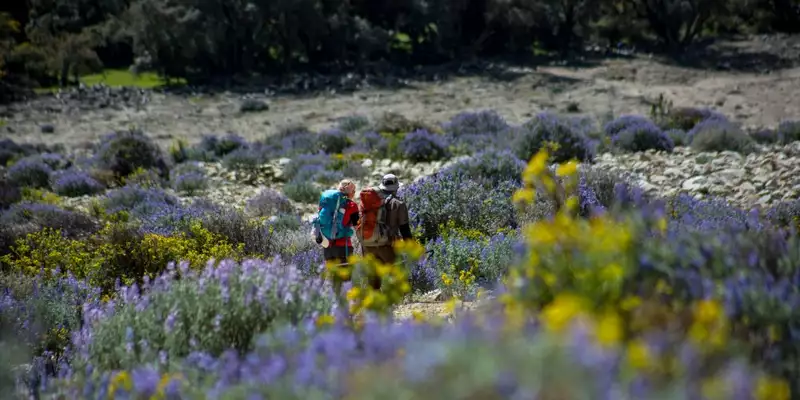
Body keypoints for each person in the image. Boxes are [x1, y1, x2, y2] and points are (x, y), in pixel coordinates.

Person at [357, 173, 413, 271]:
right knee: (397, 276)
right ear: (396, 188)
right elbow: (405, 230)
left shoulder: (368, 203)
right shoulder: (398, 204)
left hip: (367, 247)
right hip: (388, 247)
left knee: (373, 279)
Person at [316, 179, 360, 265]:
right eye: (353, 191)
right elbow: (358, 226)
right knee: (345, 273)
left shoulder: (328, 202)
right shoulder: (352, 205)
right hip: (344, 248)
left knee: (331, 272)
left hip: (327, 247)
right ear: (349, 192)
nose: (354, 193)